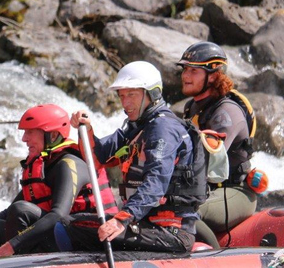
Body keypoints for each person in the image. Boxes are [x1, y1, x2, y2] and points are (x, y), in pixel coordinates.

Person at [57, 61, 206, 254]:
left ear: (152, 94)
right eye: (121, 96)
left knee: (70, 229)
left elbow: (156, 182)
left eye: (132, 95)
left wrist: (122, 219)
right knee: (68, 222)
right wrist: (87, 130)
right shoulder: (135, 127)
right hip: (144, 223)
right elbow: (96, 160)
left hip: (170, 231)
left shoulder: (163, 129)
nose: (125, 103)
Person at [0, 104, 118, 257]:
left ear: (52, 135)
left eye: (30, 132)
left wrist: (11, 246)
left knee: (21, 211)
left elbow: (58, 214)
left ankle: (21, 267)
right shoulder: (44, 163)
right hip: (64, 233)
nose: (24, 138)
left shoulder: (69, 163)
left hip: (88, 236)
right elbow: (8, 212)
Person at [178, 41, 260, 246]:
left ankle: (214, 257)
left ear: (213, 75)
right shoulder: (192, 107)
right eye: (185, 69)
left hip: (234, 190)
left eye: (193, 71)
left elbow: (209, 162)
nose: (185, 76)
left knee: (190, 211)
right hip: (204, 188)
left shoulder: (227, 112)